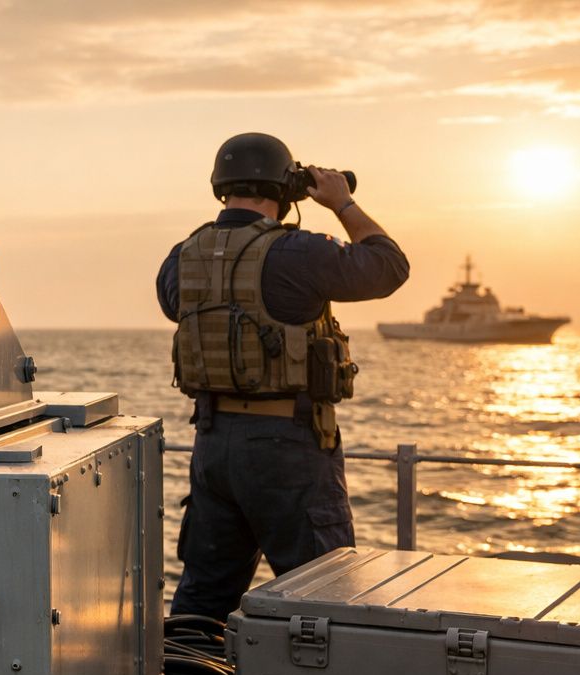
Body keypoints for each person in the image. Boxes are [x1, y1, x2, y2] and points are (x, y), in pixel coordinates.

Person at [156, 132, 409, 621]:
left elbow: (175, 306)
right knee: (324, 601)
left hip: (213, 446)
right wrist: (343, 203)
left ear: (220, 187)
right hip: (288, 447)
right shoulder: (297, 252)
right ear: (285, 188)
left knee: (203, 599)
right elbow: (389, 266)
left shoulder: (182, 255)